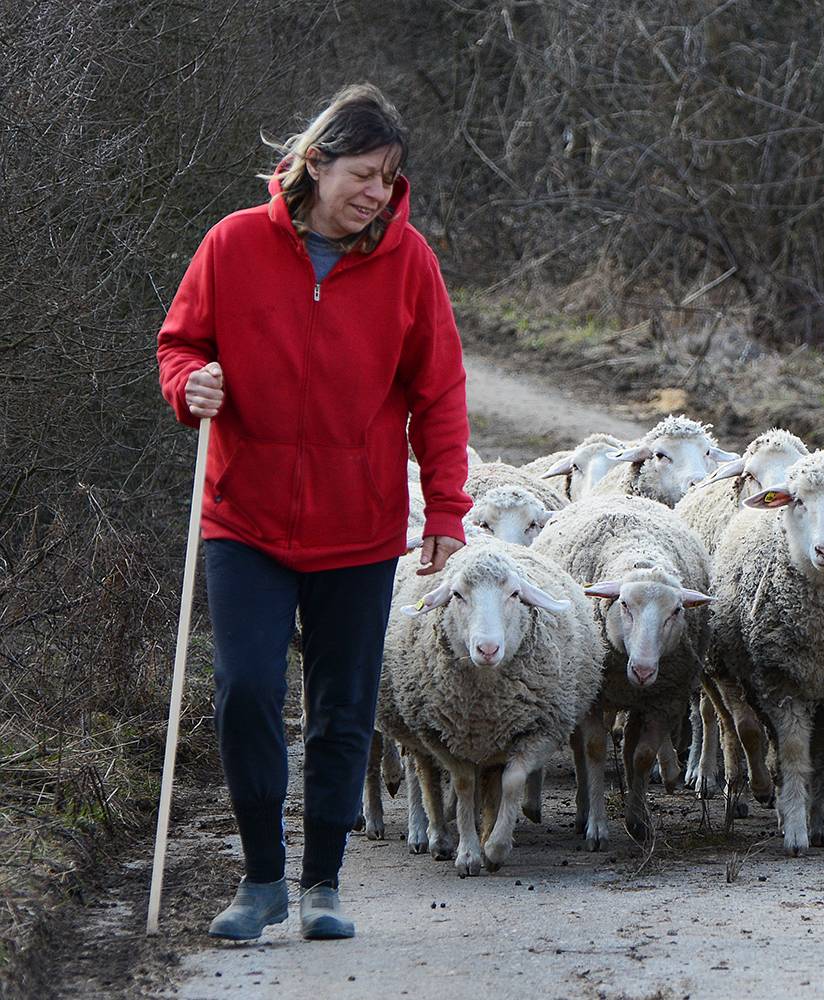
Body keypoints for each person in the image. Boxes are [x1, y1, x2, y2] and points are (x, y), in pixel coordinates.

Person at [156, 83, 470, 941]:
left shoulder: (411, 265)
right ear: (316, 162)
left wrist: (446, 505)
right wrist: (192, 384)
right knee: (246, 690)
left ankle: (324, 880)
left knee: (344, 707)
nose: (377, 192)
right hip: (243, 516)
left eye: (390, 178)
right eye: (364, 173)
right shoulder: (232, 244)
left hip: (358, 525)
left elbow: (438, 392)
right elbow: (180, 342)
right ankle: (262, 880)